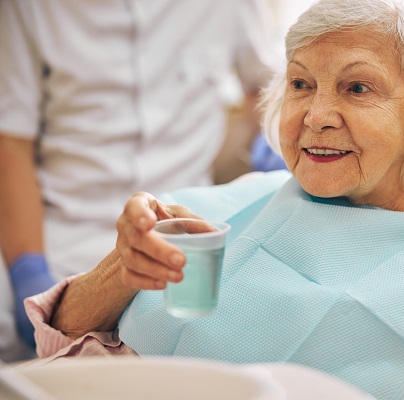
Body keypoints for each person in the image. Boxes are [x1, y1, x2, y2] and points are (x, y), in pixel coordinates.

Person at [25, 0, 404, 398]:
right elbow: (60, 334)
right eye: (300, 84)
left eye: (357, 88)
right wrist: (122, 270)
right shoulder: (227, 206)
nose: (315, 116)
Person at [0, 0, 276, 358]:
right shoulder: (26, 8)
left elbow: (265, 85)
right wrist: (28, 267)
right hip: (60, 232)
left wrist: (280, 135)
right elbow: (11, 140)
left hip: (180, 232)